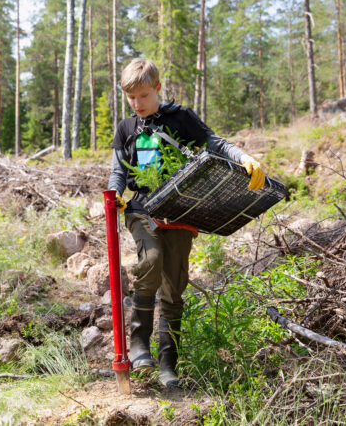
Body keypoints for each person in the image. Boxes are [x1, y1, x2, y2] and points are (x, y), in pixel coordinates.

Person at [108, 59, 266, 388]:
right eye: (131, 98)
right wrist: (114, 193)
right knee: (149, 261)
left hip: (181, 211)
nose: (137, 104)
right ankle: (139, 344)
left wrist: (244, 158)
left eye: (144, 96)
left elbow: (215, 143)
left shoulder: (181, 118)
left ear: (158, 89)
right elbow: (119, 171)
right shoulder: (126, 129)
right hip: (141, 208)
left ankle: (168, 365)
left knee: (173, 288)